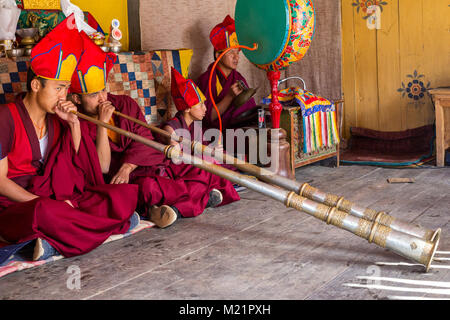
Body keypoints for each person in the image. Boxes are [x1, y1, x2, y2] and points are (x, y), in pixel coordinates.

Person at [0, 16, 139, 262]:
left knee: (119, 195)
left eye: (66, 88)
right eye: (58, 88)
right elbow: (0, 182)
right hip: (15, 206)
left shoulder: (57, 120)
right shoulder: (6, 118)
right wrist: (45, 202)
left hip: (52, 197)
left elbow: (80, 172)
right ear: (35, 85)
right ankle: (99, 228)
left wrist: (74, 124)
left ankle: (56, 241)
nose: (63, 95)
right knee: (45, 212)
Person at [69, 33, 240, 228]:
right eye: (93, 94)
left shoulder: (124, 104)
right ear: (76, 99)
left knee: (199, 168)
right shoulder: (78, 122)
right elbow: (103, 168)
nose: (102, 98)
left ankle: (170, 207)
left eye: (103, 90)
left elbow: (145, 140)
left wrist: (128, 166)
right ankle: (188, 201)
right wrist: (102, 123)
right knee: (147, 188)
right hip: (125, 178)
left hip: (144, 164)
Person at [196, 15, 258, 133]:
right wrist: (229, 96)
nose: (236, 57)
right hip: (215, 134)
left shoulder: (238, 78)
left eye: (237, 53)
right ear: (218, 55)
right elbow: (209, 118)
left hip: (240, 130)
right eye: (231, 53)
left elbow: (249, 110)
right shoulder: (206, 80)